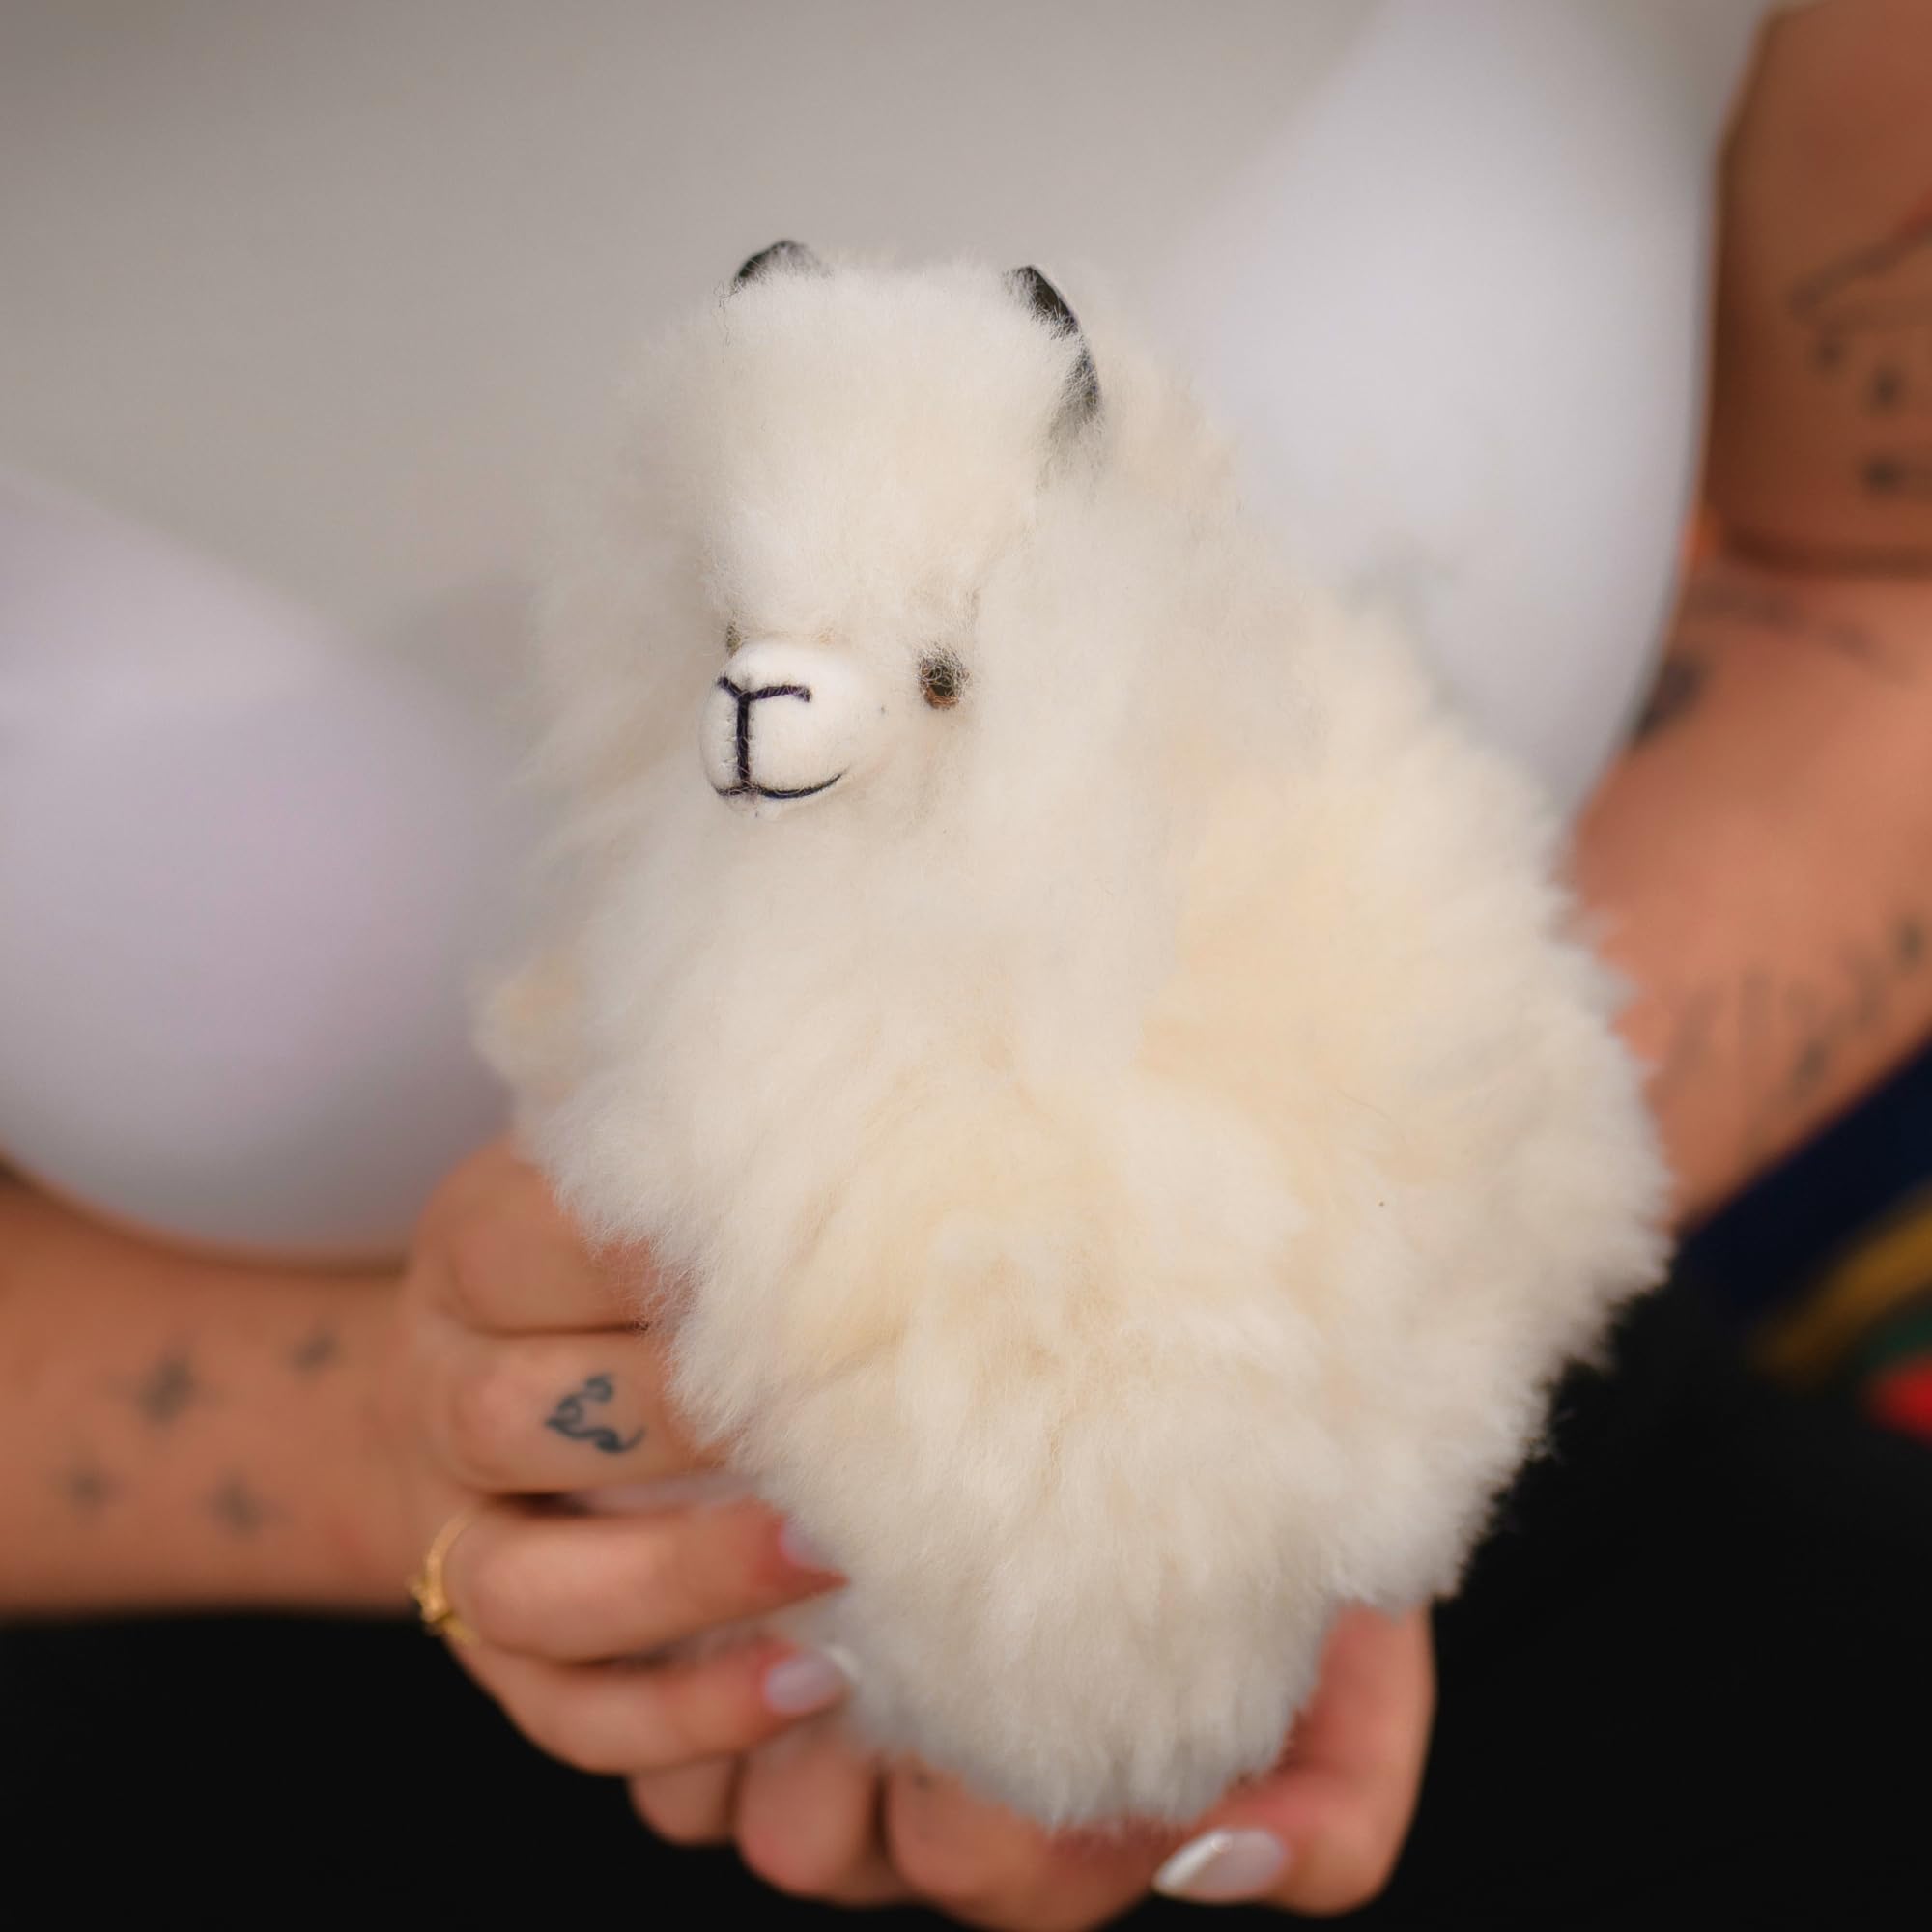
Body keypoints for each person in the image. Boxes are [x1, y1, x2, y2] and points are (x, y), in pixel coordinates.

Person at [5, 1, 1931, 1922]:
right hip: (244, 1625)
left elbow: (1883, 584)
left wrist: (1370, 1322)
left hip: (1454, 1509)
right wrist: (431, 1458)